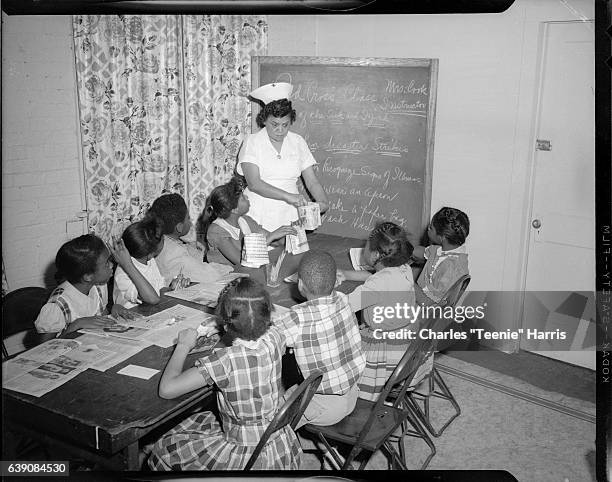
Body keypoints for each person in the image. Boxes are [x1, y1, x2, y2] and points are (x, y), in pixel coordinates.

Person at [147, 277, 300, 471]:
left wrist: (183, 345)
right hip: (276, 440)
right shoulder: (276, 337)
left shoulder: (224, 361)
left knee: (165, 448)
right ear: (268, 315)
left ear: (226, 326)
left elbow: (167, 389)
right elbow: (262, 326)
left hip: (245, 455)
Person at [274, 250, 365, 428]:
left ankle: (283, 448)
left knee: (265, 424)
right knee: (289, 391)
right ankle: (328, 451)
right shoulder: (343, 299)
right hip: (352, 394)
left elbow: (266, 340)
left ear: (300, 284)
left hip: (322, 405)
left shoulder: (297, 318)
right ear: (336, 281)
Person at [340, 222, 429, 401]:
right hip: (407, 347)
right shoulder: (403, 269)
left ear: (375, 255)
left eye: (366, 244)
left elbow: (343, 307)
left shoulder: (376, 287)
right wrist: (346, 274)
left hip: (383, 358)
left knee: (334, 353)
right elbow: (380, 278)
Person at [236, 82, 329, 231]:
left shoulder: (297, 141)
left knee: (292, 253)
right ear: (264, 120)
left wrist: (322, 202)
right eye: (274, 124)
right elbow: (254, 184)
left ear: (291, 121)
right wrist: (289, 197)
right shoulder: (252, 142)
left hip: (290, 214)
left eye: (285, 125)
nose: (280, 130)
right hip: (258, 214)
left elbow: (311, 182)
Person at [34, 234, 131, 340]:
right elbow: (44, 347)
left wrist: (113, 309)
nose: (112, 265)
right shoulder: (58, 304)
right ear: (88, 276)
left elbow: (101, 318)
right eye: (106, 264)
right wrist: (77, 324)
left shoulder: (98, 286)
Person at [197, 176, 296, 266]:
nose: (247, 197)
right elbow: (240, 261)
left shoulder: (245, 221)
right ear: (234, 209)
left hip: (246, 273)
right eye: (243, 198)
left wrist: (292, 235)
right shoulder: (216, 230)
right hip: (225, 278)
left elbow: (276, 242)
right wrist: (271, 237)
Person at [147, 193, 233, 283]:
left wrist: (192, 243)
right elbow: (210, 275)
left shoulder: (160, 240)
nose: (190, 221)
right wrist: (229, 268)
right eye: (188, 218)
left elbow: (195, 262)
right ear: (179, 227)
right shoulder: (177, 255)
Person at [113, 215, 190, 309]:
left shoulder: (150, 261)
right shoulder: (123, 272)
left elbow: (160, 290)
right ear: (150, 253)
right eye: (162, 238)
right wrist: (128, 265)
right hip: (133, 318)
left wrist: (173, 289)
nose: (164, 239)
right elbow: (153, 299)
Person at [412, 207, 470, 305]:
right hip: (422, 301)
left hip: (426, 313)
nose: (428, 229)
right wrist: (403, 251)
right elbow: (422, 252)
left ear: (441, 237)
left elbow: (427, 302)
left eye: (431, 228)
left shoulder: (450, 267)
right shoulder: (445, 250)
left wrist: (407, 279)